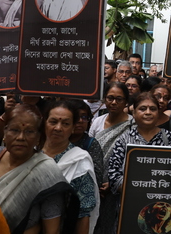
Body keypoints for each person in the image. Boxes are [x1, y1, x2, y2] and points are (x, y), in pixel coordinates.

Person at [0, 105, 75, 234]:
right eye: (15, 130)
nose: (21, 137)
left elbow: (52, 230)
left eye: (29, 131)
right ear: (5, 133)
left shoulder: (47, 172)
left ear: (38, 137)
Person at [42, 100, 99, 234]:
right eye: (53, 122)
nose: (58, 128)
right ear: (44, 122)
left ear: (73, 127)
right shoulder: (31, 153)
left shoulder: (79, 161)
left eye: (65, 123)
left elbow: (84, 212)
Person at [107, 92, 171, 197]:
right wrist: (138, 189)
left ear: (158, 113)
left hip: (161, 200)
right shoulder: (124, 140)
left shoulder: (169, 138)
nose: (148, 112)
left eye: (153, 109)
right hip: (130, 201)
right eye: (143, 109)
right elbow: (113, 175)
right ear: (134, 113)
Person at [89, 82, 132, 234]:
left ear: (126, 101)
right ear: (104, 100)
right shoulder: (97, 122)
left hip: (118, 186)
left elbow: (131, 159)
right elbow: (90, 151)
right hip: (95, 183)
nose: (114, 102)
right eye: (110, 98)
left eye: (119, 99)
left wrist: (113, 182)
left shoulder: (132, 125)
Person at [69, 100, 104, 188]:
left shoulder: (91, 143)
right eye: (76, 117)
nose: (80, 121)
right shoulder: (58, 141)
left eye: (84, 117)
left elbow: (97, 177)